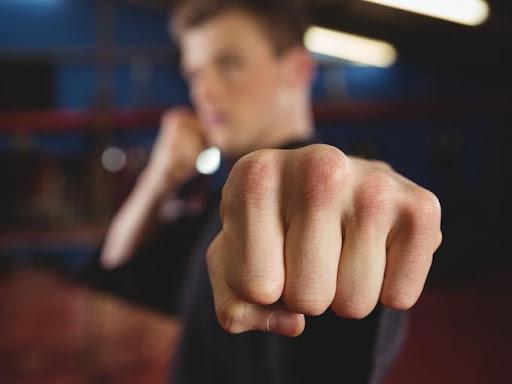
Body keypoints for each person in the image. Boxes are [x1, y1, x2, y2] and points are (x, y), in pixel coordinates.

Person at [98, 0, 442, 383]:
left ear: (297, 70)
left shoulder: (317, 202)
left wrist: (362, 198)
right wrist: (159, 177)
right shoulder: (223, 205)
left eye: (228, 64)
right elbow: (116, 275)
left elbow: (335, 360)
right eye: (194, 73)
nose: (204, 90)